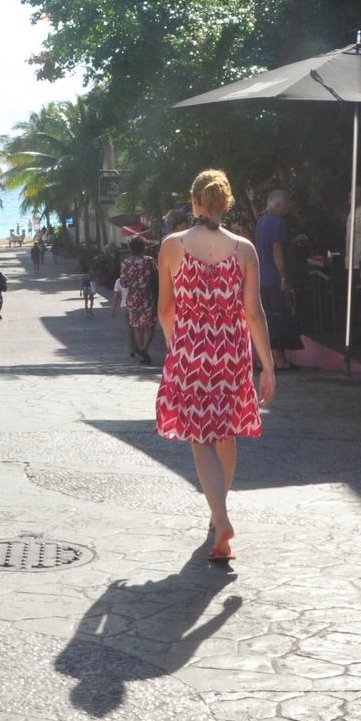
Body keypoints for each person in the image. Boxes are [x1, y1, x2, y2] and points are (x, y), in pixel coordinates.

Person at [156, 169, 273, 562]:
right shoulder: (244, 250)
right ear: (225, 205)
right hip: (232, 352)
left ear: (193, 202)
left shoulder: (172, 246)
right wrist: (268, 366)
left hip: (190, 350)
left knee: (199, 436)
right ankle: (217, 512)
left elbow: (165, 309)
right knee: (225, 431)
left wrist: (179, 348)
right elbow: (254, 313)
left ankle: (220, 517)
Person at [253, 189, 300, 370]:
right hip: (274, 277)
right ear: (278, 204)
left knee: (267, 317)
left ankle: (265, 358)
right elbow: (277, 250)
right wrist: (283, 277)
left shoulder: (261, 222)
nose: (288, 207)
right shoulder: (277, 223)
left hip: (262, 277)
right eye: (286, 203)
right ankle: (280, 359)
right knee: (279, 317)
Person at [119, 236, 158, 366]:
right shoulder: (150, 261)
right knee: (149, 325)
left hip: (132, 297)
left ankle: (140, 347)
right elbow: (156, 277)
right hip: (147, 296)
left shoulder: (126, 263)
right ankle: (144, 349)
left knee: (137, 326)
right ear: (144, 247)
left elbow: (123, 283)